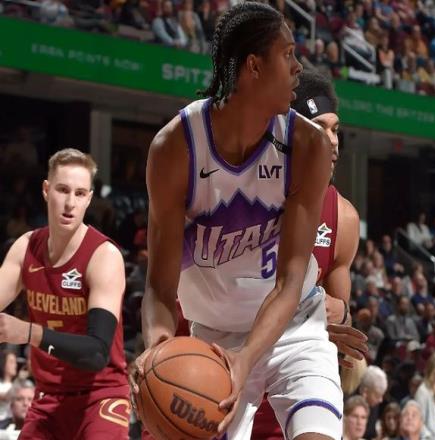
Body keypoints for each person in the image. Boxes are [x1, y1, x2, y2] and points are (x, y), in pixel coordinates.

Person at [135, 3, 345, 439]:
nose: (298, 66)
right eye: (287, 54)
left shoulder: (308, 147)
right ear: (254, 66)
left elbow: (290, 281)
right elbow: (159, 286)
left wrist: (247, 358)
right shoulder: (175, 148)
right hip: (213, 340)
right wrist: (158, 347)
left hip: (294, 327)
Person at [251, 67, 367, 439]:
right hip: (225, 369)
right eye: (320, 127)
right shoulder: (244, 195)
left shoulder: (343, 217)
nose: (333, 142)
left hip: (291, 386)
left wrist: (340, 312)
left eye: (336, 129)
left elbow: (342, 321)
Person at [0, 148, 130, 439]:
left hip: (101, 396)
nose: (70, 203)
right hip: (48, 398)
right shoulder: (26, 247)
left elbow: (96, 353)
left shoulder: (104, 256)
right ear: (46, 190)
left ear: (89, 198)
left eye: (80, 193)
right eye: (63, 190)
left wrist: (29, 332)